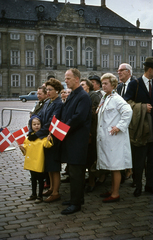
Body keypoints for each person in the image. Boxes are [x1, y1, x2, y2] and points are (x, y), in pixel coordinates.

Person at [96, 73, 132, 203]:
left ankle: (115, 193)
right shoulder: (105, 97)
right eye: (102, 83)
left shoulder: (117, 98)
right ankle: (112, 189)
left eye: (106, 83)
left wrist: (119, 126)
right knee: (111, 165)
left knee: (116, 166)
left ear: (113, 84)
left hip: (114, 138)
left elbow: (128, 111)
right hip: (107, 138)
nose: (103, 86)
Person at [60, 68, 92, 215]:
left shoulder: (83, 96)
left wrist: (63, 128)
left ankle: (76, 203)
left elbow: (78, 118)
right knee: (73, 171)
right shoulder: (73, 94)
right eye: (65, 78)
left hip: (78, 140)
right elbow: (66, 113)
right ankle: (77, 198)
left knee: (76, 173)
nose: (65, 81)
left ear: (77, 79)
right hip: (71, 139)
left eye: (68, 78)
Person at [28, 78, 63, 203]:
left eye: (50, 89)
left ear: (57, 90)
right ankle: (52, 188)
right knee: (48, 166)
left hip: (52, 138)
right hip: (44, 137)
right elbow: (41, 117)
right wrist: (33, 129)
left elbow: (51, 123)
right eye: (47, 89)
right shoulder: (48, 102)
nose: (47, 91)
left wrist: (38, 134)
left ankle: (55, 192)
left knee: (54, 166)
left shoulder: (59, 103)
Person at [124, 57, 153, 197]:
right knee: (139, 160)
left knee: (152, 160)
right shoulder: (135, 84)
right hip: (140, 128)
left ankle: (150, 185)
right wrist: (142, 107)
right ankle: (138, 185)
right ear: (150, 69)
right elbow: (126, 103)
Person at [19, 115, 53, 204]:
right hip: (31, 162)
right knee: (33, 179)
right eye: (34, 124)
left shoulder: (43, 137)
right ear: (31, 126)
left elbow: (47, 145)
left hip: (38, 161)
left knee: (40, 180)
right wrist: (22, 149)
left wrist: (49, 139)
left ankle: (40, 196)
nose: (36, 126)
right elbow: (26, 150)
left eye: (38, 124)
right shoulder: (28, 137)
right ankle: (33, 194)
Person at [80, 78, 101, 192]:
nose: (81, 86)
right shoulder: (83, 96)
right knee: (85, 158)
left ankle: (92, 181)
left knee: (91, 157)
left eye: (83, 84)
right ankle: (85, 180)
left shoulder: (93, 96)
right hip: (85, 132)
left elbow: (97, 115)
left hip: (92, 131)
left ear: (88, 86)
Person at [117, 63, 135, 180]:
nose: (119, 72)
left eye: (121, 70)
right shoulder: (119, 87)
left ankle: (134, 176)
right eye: (118, 70)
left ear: (128, 72)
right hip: (122, 123)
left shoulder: (136, 84)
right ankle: (124, 173)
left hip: (133, 122)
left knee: (133, 150)